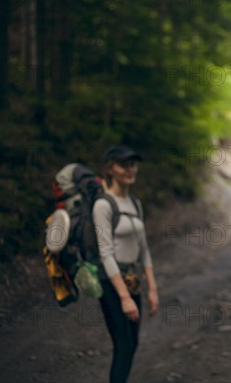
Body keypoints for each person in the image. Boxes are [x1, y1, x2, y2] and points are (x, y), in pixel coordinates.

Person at [93, 144, 159, 383]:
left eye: (133, 164)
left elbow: (144, 250)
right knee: (123, 344)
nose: (131, 169)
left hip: (133, 279)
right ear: (110, 169)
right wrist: (123, 297)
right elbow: (106, 253)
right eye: (124, 164)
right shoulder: (103, 205)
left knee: (133, 343)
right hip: (112, 283)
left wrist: (151, 288)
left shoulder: (134, 203)